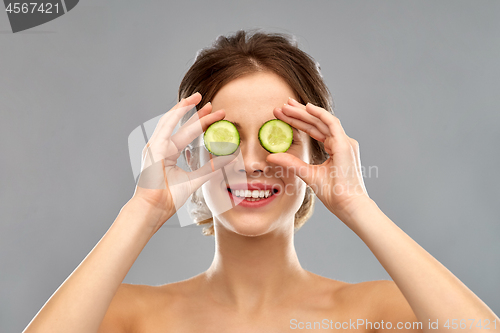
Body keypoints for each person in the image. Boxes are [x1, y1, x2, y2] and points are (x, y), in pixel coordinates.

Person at [24, 29, 499, 333]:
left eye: (278, 139)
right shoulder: (132, 317)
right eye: (226, 139)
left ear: (320, 152)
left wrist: (358, 204)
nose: (252, 163)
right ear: (190, 153)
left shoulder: (374, 315)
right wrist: (143, 209)